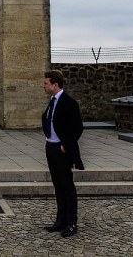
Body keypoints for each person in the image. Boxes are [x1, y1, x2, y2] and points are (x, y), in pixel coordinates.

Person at [42, 69, 84, 237]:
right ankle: (60, 221)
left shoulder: (68, 102)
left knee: (67, 186)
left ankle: (72, 222)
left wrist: (66, 145)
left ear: (55, 85)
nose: (43, 86)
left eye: (46, 83)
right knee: (57, 186)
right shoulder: (52, 101)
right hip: (50, 147)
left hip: (61, 149)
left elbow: (77, 127)